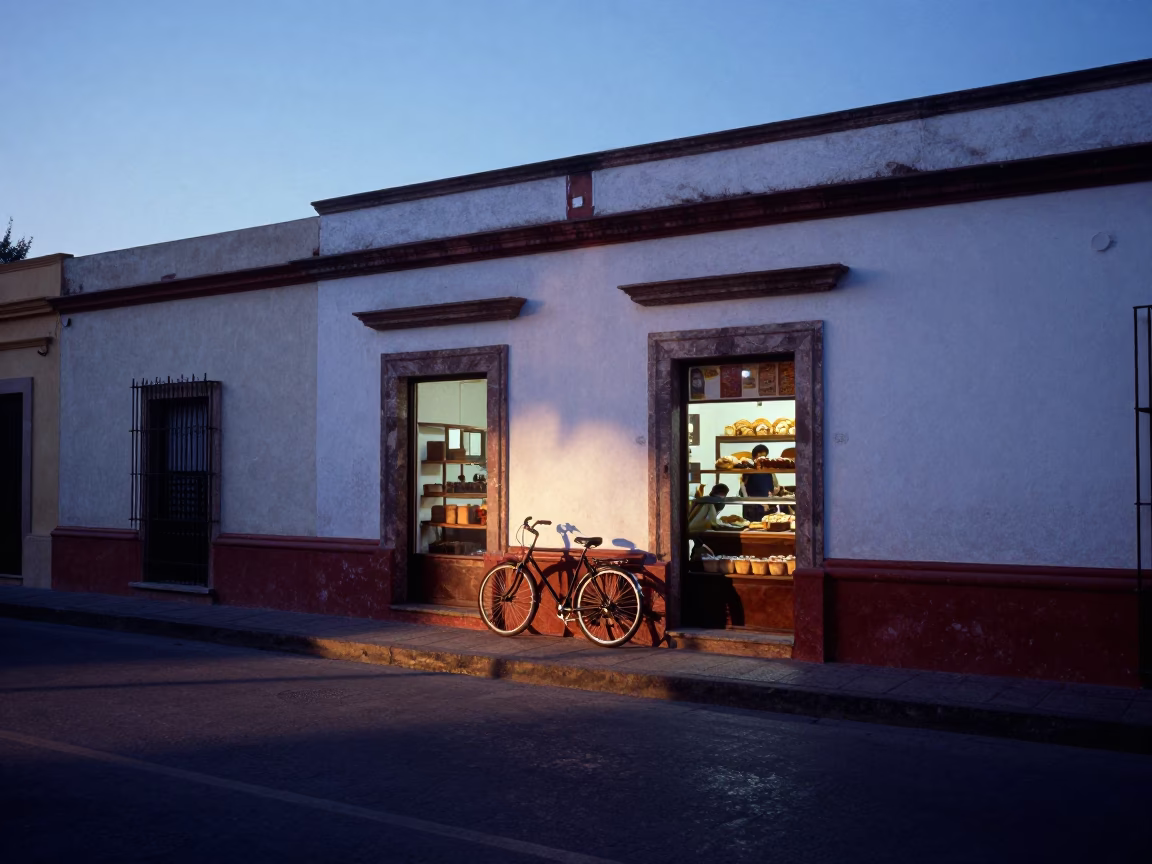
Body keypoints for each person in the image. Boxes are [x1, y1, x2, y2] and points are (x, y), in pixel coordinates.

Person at [688, 483, 739, 560]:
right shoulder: (710, 502)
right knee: (700, 552)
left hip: (695, 531)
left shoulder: (707, 500)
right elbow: (711, 522)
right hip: (698, 531)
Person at [741, 444, 778, 521]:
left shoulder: (768, 470)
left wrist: (772, 495)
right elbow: (743, 486)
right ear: (754, 457)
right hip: (752, 508)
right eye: (760, 456)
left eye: (764, 456)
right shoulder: (749, 469)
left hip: (767, 506)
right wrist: (751, 502)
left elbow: (776, 486)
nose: (762, 459)